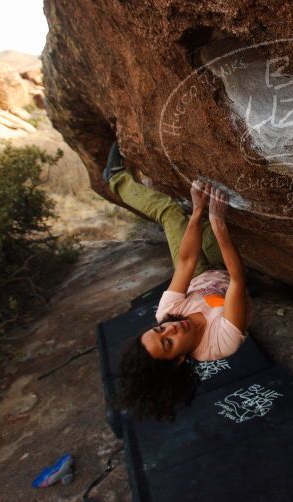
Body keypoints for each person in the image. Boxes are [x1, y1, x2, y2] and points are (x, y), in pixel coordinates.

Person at [102, 142, 251, 420]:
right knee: (197, 222)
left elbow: (185, 263)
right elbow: (238, 282)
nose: (170, 329)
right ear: (179, 361)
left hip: (198, 274)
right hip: (226, 272)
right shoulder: (219, 343)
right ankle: (118, 179)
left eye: (160, 331)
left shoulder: (165, 315)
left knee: (178, 214)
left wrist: (197, 211)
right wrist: (218, 224)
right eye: (168, 343)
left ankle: (126, 184)